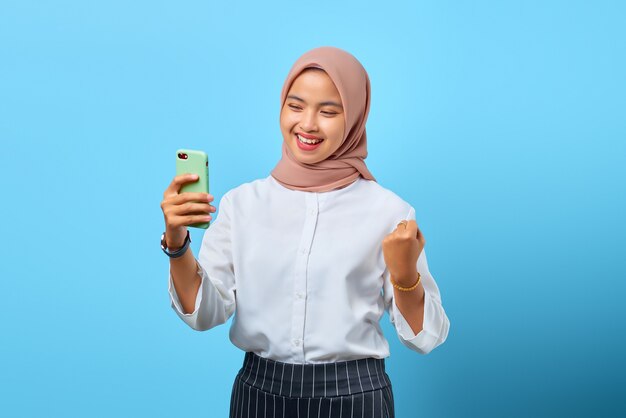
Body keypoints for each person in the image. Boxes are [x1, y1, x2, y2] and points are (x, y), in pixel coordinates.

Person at [160, 46, 450, 418]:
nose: (308, 124)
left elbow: (426, 338)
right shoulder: (242, 204)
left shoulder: (389, 212)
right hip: (259, 394)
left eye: (329, 111)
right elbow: (203, 315)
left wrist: (406, 276)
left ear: (356, 117)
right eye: (295, 106)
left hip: (356, 397)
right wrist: (176, 241)